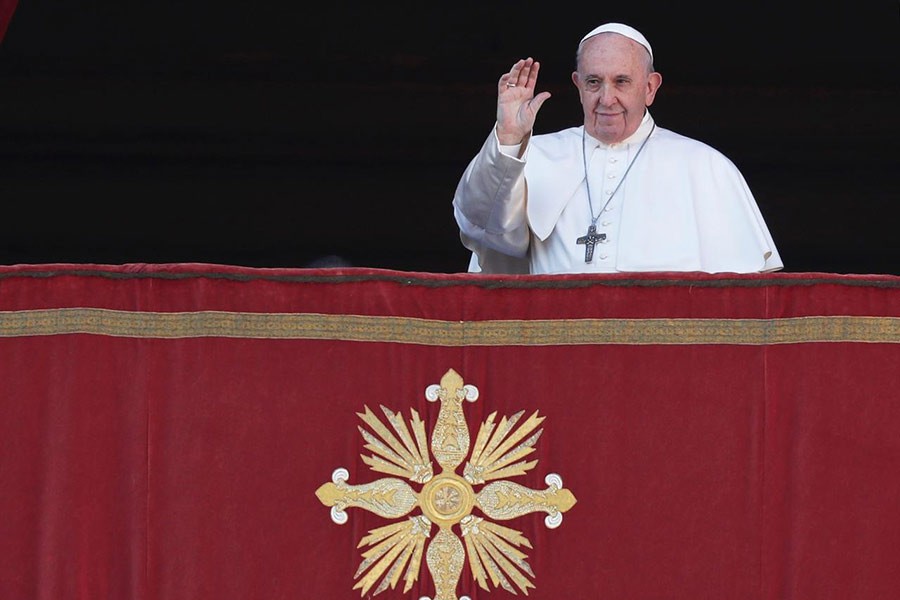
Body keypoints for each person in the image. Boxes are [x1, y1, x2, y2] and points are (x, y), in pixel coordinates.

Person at [452, 22, 783, 275]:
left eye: (622, 82)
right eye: (593, 82)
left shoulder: (706, 167)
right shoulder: (532, 156)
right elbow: (480, 228)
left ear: (650, 87)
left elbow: (748, 300)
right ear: (578, 85)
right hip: (557, 351)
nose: (606, 99)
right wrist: (508, 136)